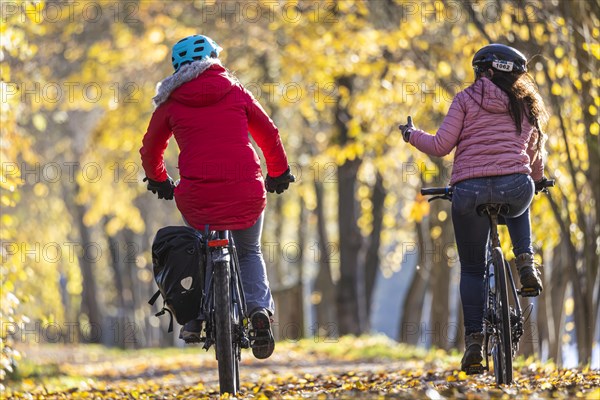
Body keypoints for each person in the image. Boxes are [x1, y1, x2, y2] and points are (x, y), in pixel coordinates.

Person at [140, 34, 295, 359]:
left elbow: (151, 146)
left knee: (200, 251)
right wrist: (278, 172)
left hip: (198, 198)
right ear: (214, 59)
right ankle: (258, 313)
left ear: (177, 67)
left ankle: (196, 319)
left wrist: (159, 180)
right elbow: (268, 133)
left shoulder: (171, 101)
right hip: (245, 191)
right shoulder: (235, 91)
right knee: (249, 252)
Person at [398, 44, 548, 373]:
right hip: (514, 186)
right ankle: (525, 263)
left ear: (485, 72)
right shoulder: (526, 104)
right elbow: (535, 153)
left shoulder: (466, 99)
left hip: (469, 191)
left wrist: (410, 134)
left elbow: (440, 145)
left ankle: (474, 342)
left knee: (471, 270)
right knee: (523, 193)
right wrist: (536, 180)